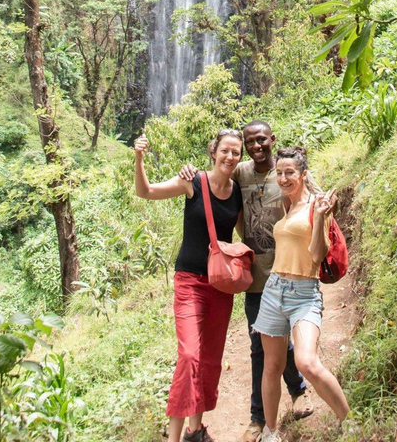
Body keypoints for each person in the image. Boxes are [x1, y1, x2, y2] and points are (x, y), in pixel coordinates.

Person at [179, 121, 315, 442]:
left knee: (282, 339)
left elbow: (311, 193)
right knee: (259, 346)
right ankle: (257, 418)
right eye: (249, 142)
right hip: (254, 276)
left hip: (285, 271)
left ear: (272, 140)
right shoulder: (240, 171)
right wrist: (189, 172)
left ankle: (297, 391)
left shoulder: (285, 171)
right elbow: (216, 171)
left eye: (261, 141)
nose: (256, 147)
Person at [135, 129, 244, 442]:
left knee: (210, 360)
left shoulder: (237, 192)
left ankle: (195, 431)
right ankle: (173, 438)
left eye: (236, 152)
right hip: (190, 283)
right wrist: (139, 157)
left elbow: (246, 233)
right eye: (225, 150)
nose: (230, 157)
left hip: (221, 286)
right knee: (189, 357)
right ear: (214, 151)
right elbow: (146, 192)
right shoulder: (192, 181)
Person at [251, 146, 351, 442]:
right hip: (273, 291)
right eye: (279, 173)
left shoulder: (317, 206)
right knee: (272, 366)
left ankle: (350, 422)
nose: (283, 178)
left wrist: (321, 217)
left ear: (304, 175)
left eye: (289, 173)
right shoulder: (286, 204)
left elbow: (318, 255)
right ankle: (270, 433)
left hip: (304, 293)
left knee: (306, 362)